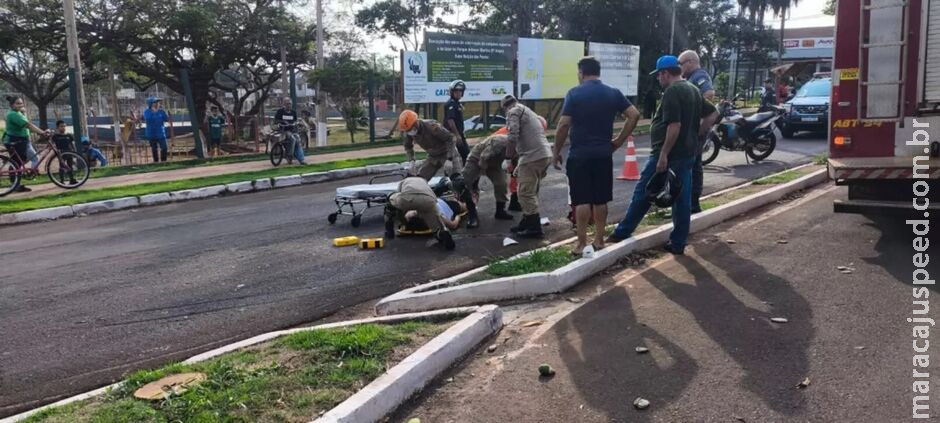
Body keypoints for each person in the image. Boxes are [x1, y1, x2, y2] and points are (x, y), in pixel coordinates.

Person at [607, 55, 719, 255]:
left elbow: (674, 126)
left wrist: (663, 155)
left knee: (644, 191)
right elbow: (713, 114)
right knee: (682, 198)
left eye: (659, 75)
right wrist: (697, 132)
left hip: (669, 154)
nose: (658, 79)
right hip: (687, 153)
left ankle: (623, 232)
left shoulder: (673, 92)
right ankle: (678, 242)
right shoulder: (692, 89)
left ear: (666, 74)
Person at [553, 56, 641, 254]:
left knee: (582, 200)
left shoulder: (574, 94)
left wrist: (556, 151)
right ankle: (599, 241)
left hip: (579, 155)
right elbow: (634, 115)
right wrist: (618, 141)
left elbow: (564, 125)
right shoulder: (613, 93)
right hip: (603, 154)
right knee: (601, 199)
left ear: (581, 72)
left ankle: (581, 243)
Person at [501, 94, 553, 238]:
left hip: (532, 156)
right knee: (530, 189)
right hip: (543, 154)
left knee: (525, 192)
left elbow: (512, 136)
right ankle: (527, 221)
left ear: (505, 107)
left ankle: (534, 227)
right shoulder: (527, 110)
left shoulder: (513, 111)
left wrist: (508, 158)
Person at [679, 50, 715, 214]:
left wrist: (694, 112)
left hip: (697, 126)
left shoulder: (699, 76)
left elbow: (709, 93)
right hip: (693, 127)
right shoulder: (690, 78)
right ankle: (687, 202)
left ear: (690, 62)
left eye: (681, 64)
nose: (679, 68)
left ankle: (693, 203)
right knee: (691, 163)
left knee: (694, 164)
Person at [385, 176, 458, 250]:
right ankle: (442, 233)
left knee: (390, 199)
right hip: (429, 200)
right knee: (437, 229)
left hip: (408, 199)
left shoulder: (404, 181)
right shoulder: (424, 181)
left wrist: (402, 221)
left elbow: (400, 196)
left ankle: (390, 231)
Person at [461, 133, 513, 226]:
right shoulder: (499, 142)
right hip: (477, 159)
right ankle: (472, 215)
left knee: (501, 184)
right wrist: (480, 173)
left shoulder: (520, 146)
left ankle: (500, 211)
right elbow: (483, 158)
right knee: (465, 183)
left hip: (495, 163)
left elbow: (516, 161)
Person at [398, 109, 464, 180]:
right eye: (407, 130)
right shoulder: (409, 133)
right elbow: (408, 146)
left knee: (457, 180)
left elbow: (450, 138)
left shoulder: (431, 126)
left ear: (416, 123)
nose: (410, 131)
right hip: (433, 156)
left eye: (410, 128)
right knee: (420, 180)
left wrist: (449, 158)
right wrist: (411, 160)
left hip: (446, 152)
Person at [3, 96, 50, 192]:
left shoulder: (18, 113)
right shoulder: (13, 114)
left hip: (23, 141)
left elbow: (26, 125)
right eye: (18, 103)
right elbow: (28, 125)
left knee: (26, 160)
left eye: (21, 103)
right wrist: (42, 132)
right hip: (15, 141)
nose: (21, 105)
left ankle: (23, 179)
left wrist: (23, 112)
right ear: (12, 105)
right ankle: (17, 184)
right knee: (18, 163)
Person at [444, 80, 470, 163]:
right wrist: (457, 135)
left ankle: (465, 174)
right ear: (452, 92)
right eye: (456, 91)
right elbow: (450, 121)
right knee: (453, 157)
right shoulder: (451, 104)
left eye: (460, 91)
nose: (458, 93)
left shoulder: (457, 103)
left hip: (458, 134)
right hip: (452, 135)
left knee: (465, 155)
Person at [274, 99, 306, 165]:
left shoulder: (293, 112)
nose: (289, 105)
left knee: (298, 140)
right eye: (287, 104)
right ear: (284, 104)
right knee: (293, 139)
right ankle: (289, 156)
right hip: (284, 131)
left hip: (292, 130)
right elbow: (276, 120)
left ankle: (301, 159)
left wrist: (297, 123)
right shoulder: (280, 112)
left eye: (290, 104)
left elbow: (295, 121)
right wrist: (282, 122)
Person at [143, 97, 169, 162]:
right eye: (155, 102)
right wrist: (155, 112)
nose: (157, 104)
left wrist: (165, 113)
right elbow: (148, 119)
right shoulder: (147, 112)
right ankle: (156, 161)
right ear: (151, 104)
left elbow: (166, 119)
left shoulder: (161, 111)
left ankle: (163, 161)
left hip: (161, 133)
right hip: (151, 134)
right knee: (154, 149)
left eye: (158, 102)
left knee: (164, 148)